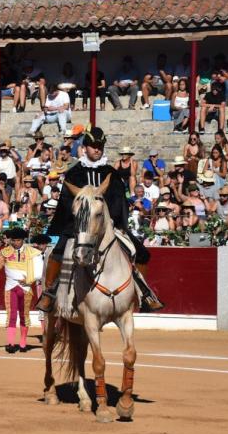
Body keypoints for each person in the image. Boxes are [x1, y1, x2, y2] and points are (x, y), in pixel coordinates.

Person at [36, 127, 163, 313]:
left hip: (107, 225)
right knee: (59, 250)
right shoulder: (73, 173)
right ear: (85, 148)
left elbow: (118, 200)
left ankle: (143, 294)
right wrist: (80, 220)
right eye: (94, 146)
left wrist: (110, 220)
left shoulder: (111, 173)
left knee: (140, 251)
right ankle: (49, 292)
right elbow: (66, 201)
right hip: (78, 226)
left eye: (100, 146)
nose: (97, 150)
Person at [0, 227, 43, 353]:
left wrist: (29, 280)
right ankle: (11, 343)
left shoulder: (32, 252)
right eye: (13, 240)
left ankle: (23, 343)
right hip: (10, 288)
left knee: (24, 316)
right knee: (11, 315)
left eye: (18, 240)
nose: (15, 243)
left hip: (26, 288)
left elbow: (40, 271)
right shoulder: (5, 252)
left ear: (23, 240)